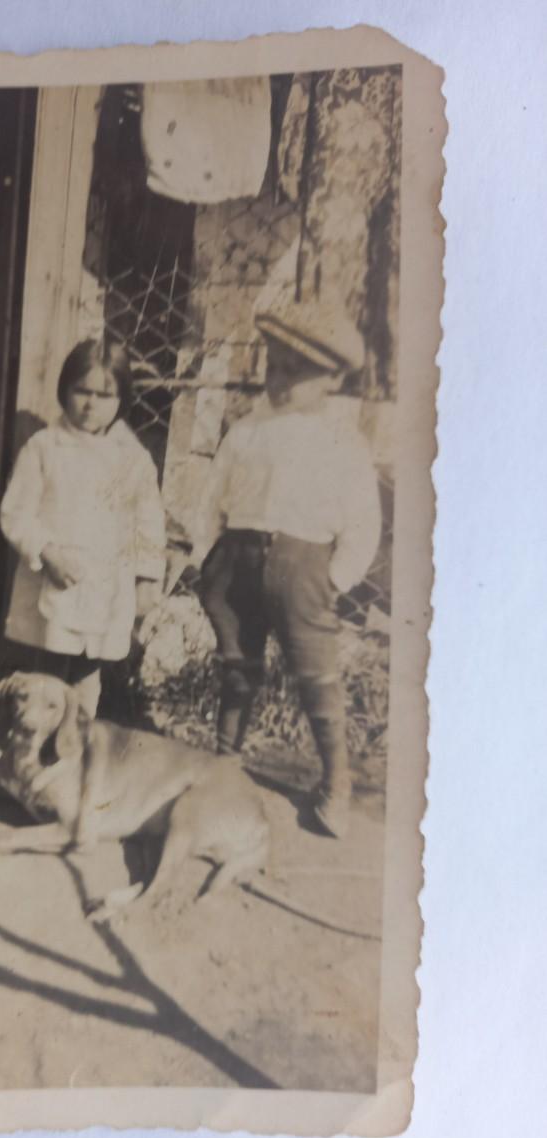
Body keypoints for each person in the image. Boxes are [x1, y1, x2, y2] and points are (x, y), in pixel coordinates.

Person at [190, 299, 382, 838]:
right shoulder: (247, 429)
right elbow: (212, 498)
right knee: (237, 666)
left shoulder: (344, 441)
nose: (279, 380)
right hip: (239, 559)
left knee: (316, 673)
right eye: (274, 365)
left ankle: (336, 781)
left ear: (332, 380)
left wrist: (335, 579)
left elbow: (363, 521)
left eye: (297, 372)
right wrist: (206, 555)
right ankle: (225, 765)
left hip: (305, 568)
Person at [0, 339, 166, 717]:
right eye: (82, 391)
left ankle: (75, 748)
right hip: (56, 579)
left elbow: (149, 522)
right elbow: (16, 512)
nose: (91, 405)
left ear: (122, 399)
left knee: (89, 675)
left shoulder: (134, 459)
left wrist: (147, 577)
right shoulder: (45, 448)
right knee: (50, 671)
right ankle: (38, 743)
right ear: (65, 390)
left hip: (106, 588)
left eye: (105, 395)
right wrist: (46, 551)